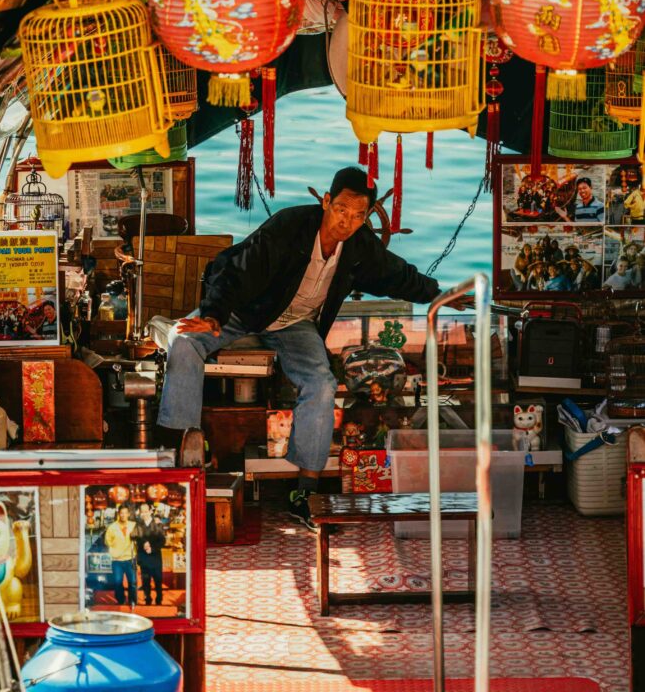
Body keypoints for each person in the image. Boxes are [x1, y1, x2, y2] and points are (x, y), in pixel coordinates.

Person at [157, 166, 469, 530]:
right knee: (183, 342)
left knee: (321, 383)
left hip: (295, 325)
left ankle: (305, 490)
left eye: (358, 215)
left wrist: (437, 294)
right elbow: (238, 271)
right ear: (325, 202)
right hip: (243, 310)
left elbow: (395, 274)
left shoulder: (358, 245)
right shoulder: (289, 228)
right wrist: (212, 315)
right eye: (341, 209)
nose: (347, 221)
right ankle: (182, 454)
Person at [104, 505, 137, 607]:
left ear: (128, 514)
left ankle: (132, 601)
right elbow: (107, 541)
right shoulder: (112, 527)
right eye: (121, 513)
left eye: (125, 513)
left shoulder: (133, 525)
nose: (123, 515)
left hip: (130, 558)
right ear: (119, 514)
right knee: (118, 582)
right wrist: (115, 549)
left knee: (132, 582)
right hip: (116, 560)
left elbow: (140, 537)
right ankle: (121, 600)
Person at [133, 502, 165, 606]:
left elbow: (162, 541)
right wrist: (143, 543)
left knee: (158, 579)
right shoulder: (138, 525)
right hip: (144, 557)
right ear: (140, 513)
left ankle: (159, 598)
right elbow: (134, 537)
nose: (144, 514)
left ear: (150, 511)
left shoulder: (158, 524)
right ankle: (148, 598)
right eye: (142, 512)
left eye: (146, 511)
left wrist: (152, 548)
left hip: (155, 557)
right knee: (145, 580)